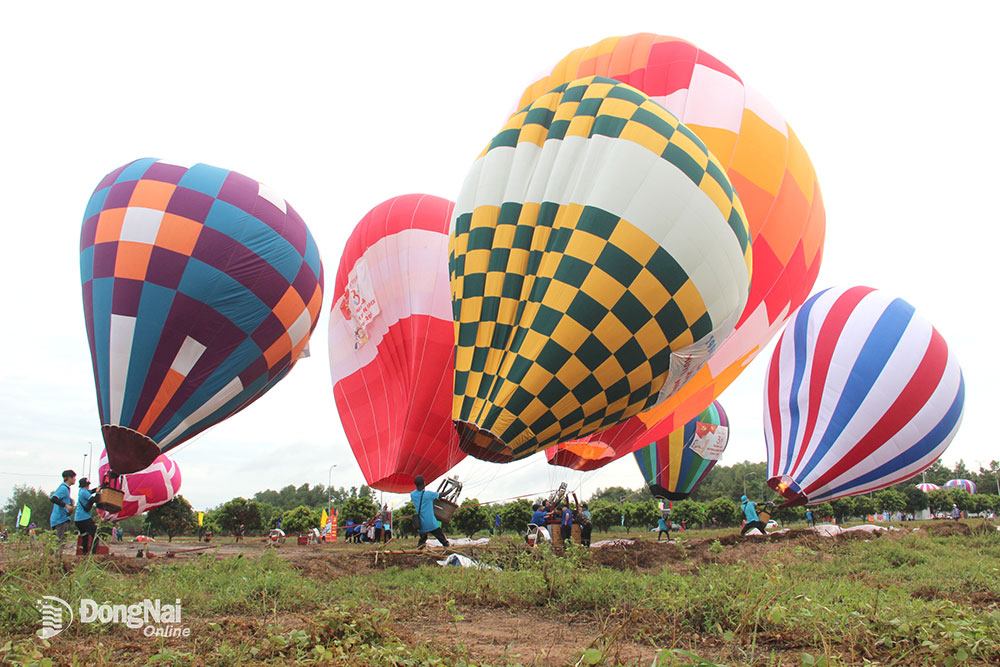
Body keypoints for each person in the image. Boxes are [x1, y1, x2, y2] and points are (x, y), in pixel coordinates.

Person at [410, 475, 449, 548]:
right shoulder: (429, 494)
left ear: (415, 485)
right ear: (424, 483)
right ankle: (448, 550)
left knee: (422, 542)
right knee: (443, 540)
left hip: (421, 524)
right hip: (431, 523)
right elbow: (443, 495)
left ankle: (418, 554)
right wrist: (453, 487)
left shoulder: (412, 495)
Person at [49, 469, 76, 543]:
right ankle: (56, 555)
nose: (75, 479)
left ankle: (53, 554)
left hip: (59, 519)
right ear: (69, 478)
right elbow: (53, 498)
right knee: (59, 542)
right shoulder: (63, 488)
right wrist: (66, 506)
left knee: (56, 542)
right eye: (73, 477)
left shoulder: (65, 488)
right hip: (60, 520)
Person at [74, 478, 99, 555]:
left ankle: (84, 553)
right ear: (86, 485)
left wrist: (99, 488)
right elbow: (94, 499)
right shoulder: (84, 492)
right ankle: (93, 553)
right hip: (84, 518)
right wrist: (99, 493)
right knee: (95, 535)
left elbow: (91, 491)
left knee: (85, 536)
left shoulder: (81, 491)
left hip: (78, 519)